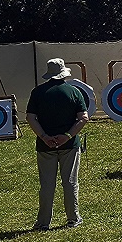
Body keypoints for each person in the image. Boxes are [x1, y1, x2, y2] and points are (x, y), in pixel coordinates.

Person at [26, 58, 89, 231]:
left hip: (45, 146)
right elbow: (83, 118)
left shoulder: (37, 92)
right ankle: (73, 219)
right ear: (64, 73)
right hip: (69, 145)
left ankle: (43, 223)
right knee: (70, 182)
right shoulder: (74, 91)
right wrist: (67, 136)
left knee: (47, 185)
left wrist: (44, 137)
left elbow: (30, 117)